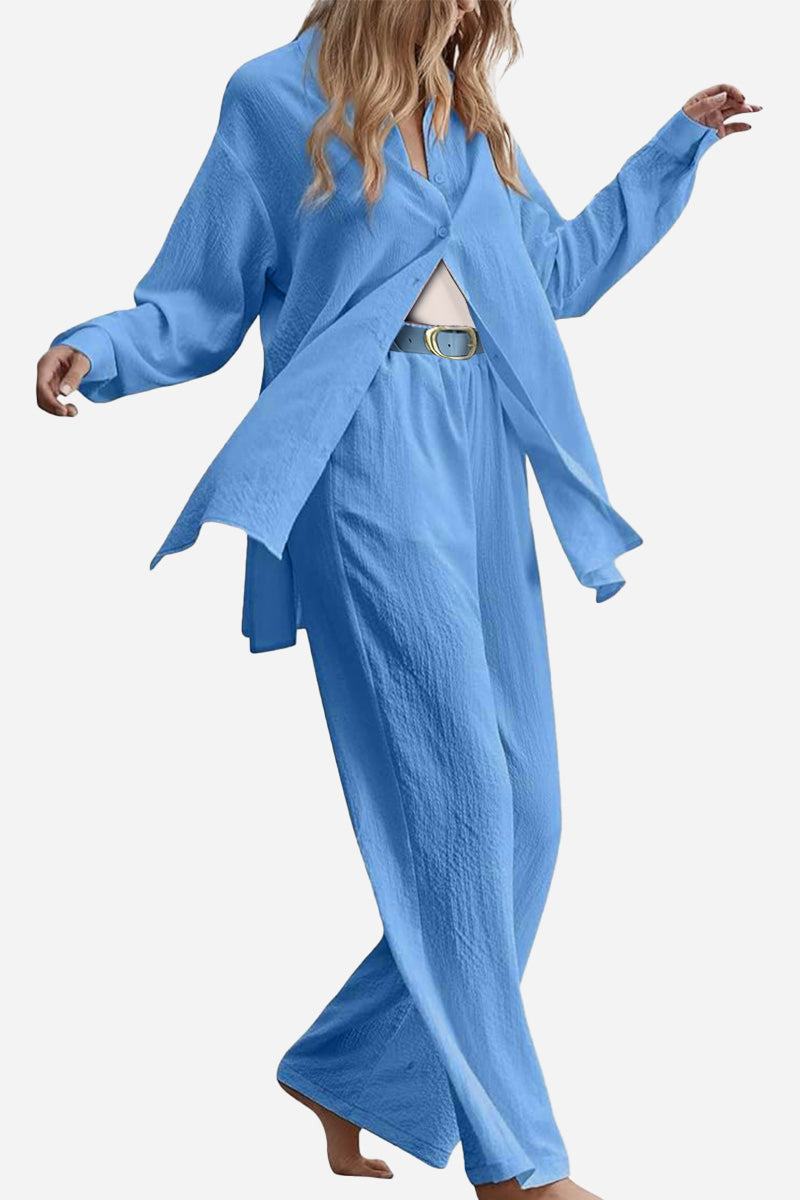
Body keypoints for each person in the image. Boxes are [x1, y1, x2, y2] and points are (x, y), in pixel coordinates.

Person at [35, 2, 760, 1196]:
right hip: (360, 443)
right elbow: (206, 293)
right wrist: (104, 348)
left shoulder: (469, 118)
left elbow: (553, 276)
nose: (475, 9)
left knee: (526, 817)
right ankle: (516, 1164)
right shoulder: (273, 97)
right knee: (458, 805)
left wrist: (668, 149)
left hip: (482, 443)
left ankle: (348, 1065)